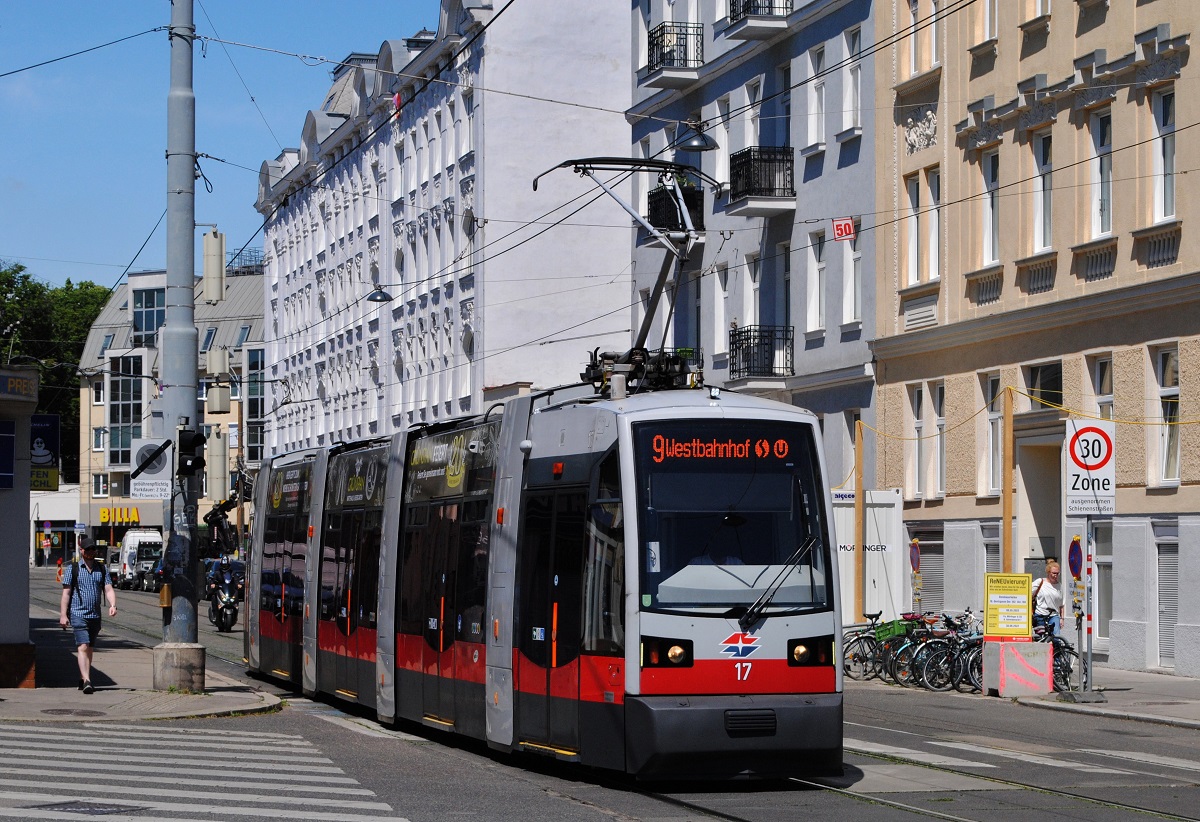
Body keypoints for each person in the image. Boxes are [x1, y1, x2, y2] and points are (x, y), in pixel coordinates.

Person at [58, 537, 117, 694]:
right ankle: (87, 681)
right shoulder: (73, 568)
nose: (91, 552)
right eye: (88, 549)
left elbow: (108, 589)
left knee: (89, 648)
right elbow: (66, 593)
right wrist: (63, 615)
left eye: (93, 549)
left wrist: (112, 605)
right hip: (78, 614)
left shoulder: (101, 569)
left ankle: (83, 677)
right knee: (82, 646)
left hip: (95, 615)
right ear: (81, 551)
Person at [1032, 560, 1064, 636]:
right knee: (1041, 637)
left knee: (1056, 636)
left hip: (1054, 615)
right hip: (1040, 614)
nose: (1055, 575)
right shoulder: (1040, 582)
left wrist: (1062, 619)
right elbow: (1028, 594)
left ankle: (1056, 647)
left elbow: (1061, 604)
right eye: (1053, 573)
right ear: (1048, 572)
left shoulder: (1059, 586)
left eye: (1057, 573)